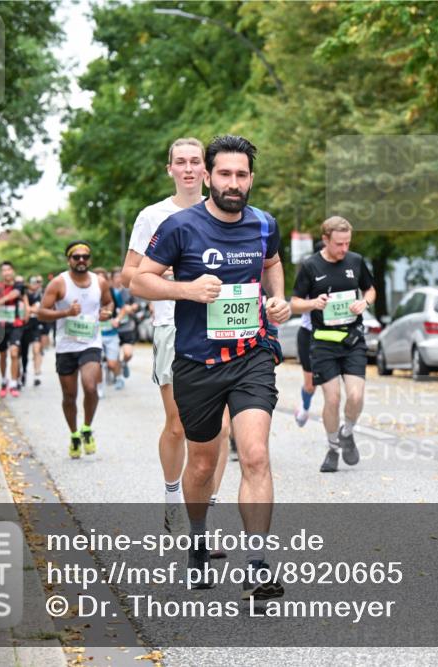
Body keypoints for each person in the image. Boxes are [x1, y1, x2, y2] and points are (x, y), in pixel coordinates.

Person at [132, 134, 290, 600]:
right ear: (207, 176)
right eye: (224, 173)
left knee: (256, 454)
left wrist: (277, 298)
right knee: (201, 465)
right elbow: (138, 279)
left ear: (251, 179)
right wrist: (186, 290)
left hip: (252, 356)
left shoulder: (264, 223)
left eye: (242, 175)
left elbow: (273, 263)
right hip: (198, 362)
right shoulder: (181, 226)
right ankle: (198, 542)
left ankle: (258, 564)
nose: (233, 183)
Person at [122, 137, 232, 538]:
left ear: (207, 169)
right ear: (170, 169)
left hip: (222, 324)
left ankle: (206, 517)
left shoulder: (226, 212)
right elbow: (129, 277)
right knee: (179, 425)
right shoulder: (153, 216)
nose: (188, 169)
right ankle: (173, 500)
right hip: (173, 324)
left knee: (221, 429)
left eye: (195, 162)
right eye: (180, 162)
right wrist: (181, 282)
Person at [291, 217, 376, 473]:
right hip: (323, 342)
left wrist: (365, 303)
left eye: (347, 243)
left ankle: (347, 432)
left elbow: (370, 289)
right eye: (339, 244)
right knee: (333, 398)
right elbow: (294, 303)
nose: (343, 249)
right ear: (325, 239)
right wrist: (313, 303)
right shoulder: (310, 266)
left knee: (356, 395)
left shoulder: (356, 261)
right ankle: (332, 447)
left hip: (352, 339)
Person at [37, 241, 115, 458]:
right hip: (66, 345)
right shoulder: (58, 283)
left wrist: (106, 312)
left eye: (85, 257)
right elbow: (41, 313)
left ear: (90, 260)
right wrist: (65, 313)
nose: (81, 260)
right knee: (69, 396)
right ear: (68, 260)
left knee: (90, 387)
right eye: (76, 257)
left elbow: (109, 304)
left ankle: (87, 428)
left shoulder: (100, 282)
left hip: (91, 343)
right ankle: (73, 434)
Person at [293, 240, 325, 427]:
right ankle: (305, 408)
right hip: (308, 335)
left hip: (331, 336)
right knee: (311, 385)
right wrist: (314, 303)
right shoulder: (308, 274)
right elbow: (295, 304)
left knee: (332, 384)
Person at [0, 261, 30, 398]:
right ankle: (3, 381)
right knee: (3, 355)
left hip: (16, 324)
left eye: (9, 270)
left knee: (14, 352)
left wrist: (27, 313)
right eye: (4, 270)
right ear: (1, 273)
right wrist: (7, 298)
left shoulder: (19, 286)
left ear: (13, 271)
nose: (6, 272)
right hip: (0, 325)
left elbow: (25, 301)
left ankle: (13, 383)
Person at [110, 267, 139, 380]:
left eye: (120, 277)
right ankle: (118, 378)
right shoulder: (108, 292)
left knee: (128, 354)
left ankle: (124, 363)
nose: (118, 279)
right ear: (111, 279)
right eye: (116, 277)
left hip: (127, 326)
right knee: (113, 355)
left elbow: (136, 305)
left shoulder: (128, 290)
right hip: (112, 327)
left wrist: (131, 308)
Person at [25, 276, 46, 386]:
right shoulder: (26, 294)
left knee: (36, 349)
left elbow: (40, 309)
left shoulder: (43, 294)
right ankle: (22, 373)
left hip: (39, 324)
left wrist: (31, 309)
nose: (37, 284)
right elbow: (26, 309)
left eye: (39, 282)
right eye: (34, 282)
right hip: (26, 324)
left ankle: (37, 373)